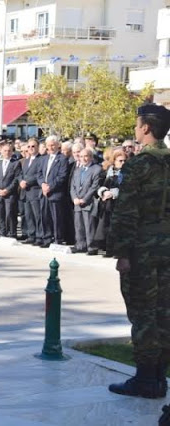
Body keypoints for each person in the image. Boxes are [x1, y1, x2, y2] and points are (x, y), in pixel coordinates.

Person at [107, 103, 170, 399]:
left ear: (146, 127)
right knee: (164, 313)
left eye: (136, 124)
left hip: (143, 249)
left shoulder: (139, 164)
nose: (135, 129)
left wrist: (122, 253)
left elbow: (126, 212)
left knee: (143, 314)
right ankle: (159, 377)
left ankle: (146, 379)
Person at [92, 149, 127, 255]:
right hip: (106, 204)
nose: (123, 163)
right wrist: (103, 192)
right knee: (105, 226)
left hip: (120, 204)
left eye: (124, 160)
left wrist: (113, 193)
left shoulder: (128, 174)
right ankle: (106, 248)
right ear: (114, 161)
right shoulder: (107, 172)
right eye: (120, 161)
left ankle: (117, 249)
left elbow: (128, 188)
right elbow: (98, 186)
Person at [37, 136, 69, 247]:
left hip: (55, 193)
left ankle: (57, 239)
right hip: (44, 193)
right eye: (48, 145)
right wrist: (42, 184)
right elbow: (39, 174)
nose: (50, 147)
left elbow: (62, 176)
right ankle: (46, 238)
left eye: (53, 145)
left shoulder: (62, 158)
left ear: (57, 145)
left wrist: (50, 187)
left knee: (56, 218)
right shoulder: (43, 158)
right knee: (45, 216)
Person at [69, 148, 102, 254]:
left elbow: (94, 186)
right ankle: (80, 245)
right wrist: (74, 198)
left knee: (89, 225)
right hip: (77, 202)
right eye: (81, 156)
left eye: (86, 156)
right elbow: (72, 186)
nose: (84, 158)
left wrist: (85, 199)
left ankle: (91, 247)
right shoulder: (77, 170)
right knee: (78, 225)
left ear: (91, 157)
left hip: (88, 202)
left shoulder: (96, 169)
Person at [0, 143, 21, 238]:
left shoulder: (15, 163)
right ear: (1, 152)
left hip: (10, 194)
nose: (7, 153)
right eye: (5, 151)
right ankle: (1, 233)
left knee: (10, 214)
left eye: (9, 151)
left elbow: (16, 179)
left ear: (12, 152)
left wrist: (7, 190)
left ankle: (12, 233)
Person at [19, 138, 43, 245]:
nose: (31, 148)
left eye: (33, 146)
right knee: (28, 215)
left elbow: (39, 174)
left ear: (37, 147)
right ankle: (31, 235)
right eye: (29, 146)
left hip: (35, 190)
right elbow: (21, 173)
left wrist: (27, 182)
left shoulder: (41, 160)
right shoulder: (26, 160)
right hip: (26, 192)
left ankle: (39, 236)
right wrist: (21, 181)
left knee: (37, 215)